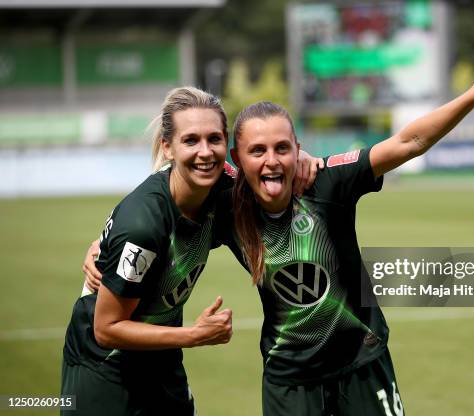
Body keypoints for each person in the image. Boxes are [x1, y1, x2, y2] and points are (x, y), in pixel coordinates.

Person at [220, 26, 474, 415]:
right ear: (237, 157)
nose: (271, 160)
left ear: (297, 149)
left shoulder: (328, 182)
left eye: (282, 148)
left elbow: (408, 143)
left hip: (361, 367)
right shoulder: (227, 209)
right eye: (257, 150)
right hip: (290, 383)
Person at [63, 86, 321, 416]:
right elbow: (106, 329)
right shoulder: (144, 224)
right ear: (167, 147)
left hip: (162, 361)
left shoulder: (221, 188)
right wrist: (194, 335)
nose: (205, 152)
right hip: (103, 368)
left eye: (214, 139)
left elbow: (266, 167)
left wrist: (301, 157)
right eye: (191, 140)